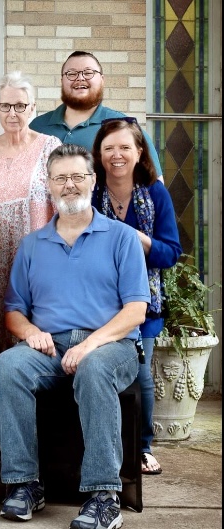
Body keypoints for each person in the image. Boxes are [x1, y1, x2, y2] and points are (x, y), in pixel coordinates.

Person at [0, 144, 149, 529]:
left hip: (113, 344)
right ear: (48, 185)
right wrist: (30, 332)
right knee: (8, 367)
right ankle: (24, 485)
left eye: (78, 176)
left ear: (93, 181)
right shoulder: (32, 245)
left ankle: (103, 495)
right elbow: (13, 311)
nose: (70, 185)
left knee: (94, 370)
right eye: (60, 178)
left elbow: (135, 311)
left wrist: (89, 344)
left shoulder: (122, 238)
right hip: (50, 345)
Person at [91, 117, 181, 477]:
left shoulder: (156, 193)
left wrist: (136, 240)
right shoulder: (91, 192)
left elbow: (171, 253)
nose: (117, 155)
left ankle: (142, 447)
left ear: (139, 151)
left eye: (125, 147)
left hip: (144, 306)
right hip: (96, 304)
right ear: (98, 153)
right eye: (109, 147)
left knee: (140, 376)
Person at [0, 72, 61, 352]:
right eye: (5, 106)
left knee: (32, 338)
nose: (12, 113)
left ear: (33, 107)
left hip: (36, 260)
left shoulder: (51, 147)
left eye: (20, 106)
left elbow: (62, 205)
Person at [30, 50, 163, 177]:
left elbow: (155, 185)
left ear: (102, 80)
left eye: (88, 73)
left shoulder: (125, 126)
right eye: (71, 73)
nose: (80, 78)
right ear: (62, 81)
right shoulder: (38, 126)